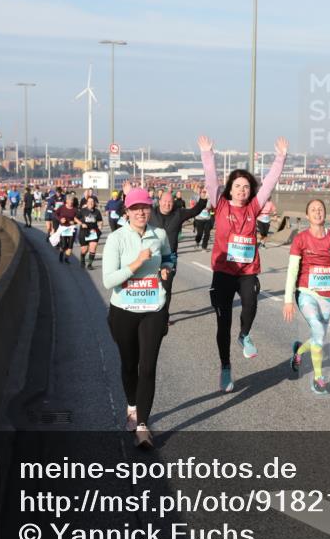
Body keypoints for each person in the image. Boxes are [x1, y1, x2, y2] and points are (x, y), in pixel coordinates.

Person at [199, 134, 287, 392]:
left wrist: (280, 158)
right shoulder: (221, 204)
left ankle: (244, 335)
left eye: (246, 187)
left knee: (250, 303)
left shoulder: (254, 208)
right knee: (223, 321)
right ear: (230, 188)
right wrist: (208, 154)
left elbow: (270, 182)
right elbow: (211, 178)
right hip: (224, 272)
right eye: (238, 186)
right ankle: (225, 366)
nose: (242, 190)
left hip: (247, 270)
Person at [102, 187, 175, 448]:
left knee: (148, 367)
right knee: (129, 364)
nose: (141, 212)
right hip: (123, 311)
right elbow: (109, 280)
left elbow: (169, 256)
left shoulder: (160, 235)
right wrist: (135, 264)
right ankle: (132, 405)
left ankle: (142, 425)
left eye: (145, 207)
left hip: (153, 309)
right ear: (127, 211)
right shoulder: (117, 239)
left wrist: (166, 268)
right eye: (135, 208)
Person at [283, 199, 330, 395]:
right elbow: (293, 270)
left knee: (318, 338)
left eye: (320, 209)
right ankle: (318, 379)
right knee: (318, 330)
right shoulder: (300, 239)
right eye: (313, 210)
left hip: (327, 295)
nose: (317, 212)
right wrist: (288, 300)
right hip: (306, 293)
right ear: (307, 216)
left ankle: (299, 352)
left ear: (325, 214)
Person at [153, 188, 208, 322]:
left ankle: (164, 316)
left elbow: (195, 211)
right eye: (165, 201)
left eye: (170, 202)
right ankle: (151, 312)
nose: (167, 204)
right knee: (152, 286)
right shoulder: (151, 213)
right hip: (152, 256)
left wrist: (203, 199)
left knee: (166, 287)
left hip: (169, 257)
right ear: (159, 202)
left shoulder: (178, 213)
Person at [78, 195, 104, 269]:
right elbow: (76, 218)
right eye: (89, 202)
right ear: (87, 202)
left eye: (92, 202)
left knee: (93, 247)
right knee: (84, 249)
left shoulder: (97, 211)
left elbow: (100, 221)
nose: (91, 203)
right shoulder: (83, 210)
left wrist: (100, 226)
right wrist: (81, 224)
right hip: (84, 231)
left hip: (93, 231)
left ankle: (90, 264)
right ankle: (82, 257)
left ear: (94, 203)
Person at [54, 194, 79, 264]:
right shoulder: (62, 207)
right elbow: (56, 214)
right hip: (63, 228)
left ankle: (66, 258)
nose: (71, 202)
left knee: (70, 245)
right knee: (64, 245)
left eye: (72, 200)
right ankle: (61, 253)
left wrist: (73, 222)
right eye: (70, 200)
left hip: (71, 228)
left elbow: (79, 219)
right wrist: (60, 219)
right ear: (67, 201)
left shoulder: (75, 209)